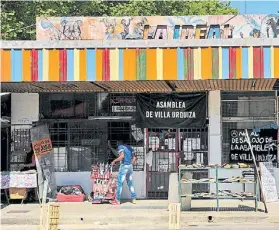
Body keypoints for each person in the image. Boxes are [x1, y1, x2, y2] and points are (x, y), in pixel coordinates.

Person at [108, 140, 136, 205]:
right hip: (130, 167)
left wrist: (114, 161)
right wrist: (130, 164)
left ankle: (117, 200)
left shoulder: (121, 147)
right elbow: (134, 158)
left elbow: (122, 156)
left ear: (119, 143)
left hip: (124, 166)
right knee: (130, 183)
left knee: (120, 183)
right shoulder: (130, 148)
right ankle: (134, 198)